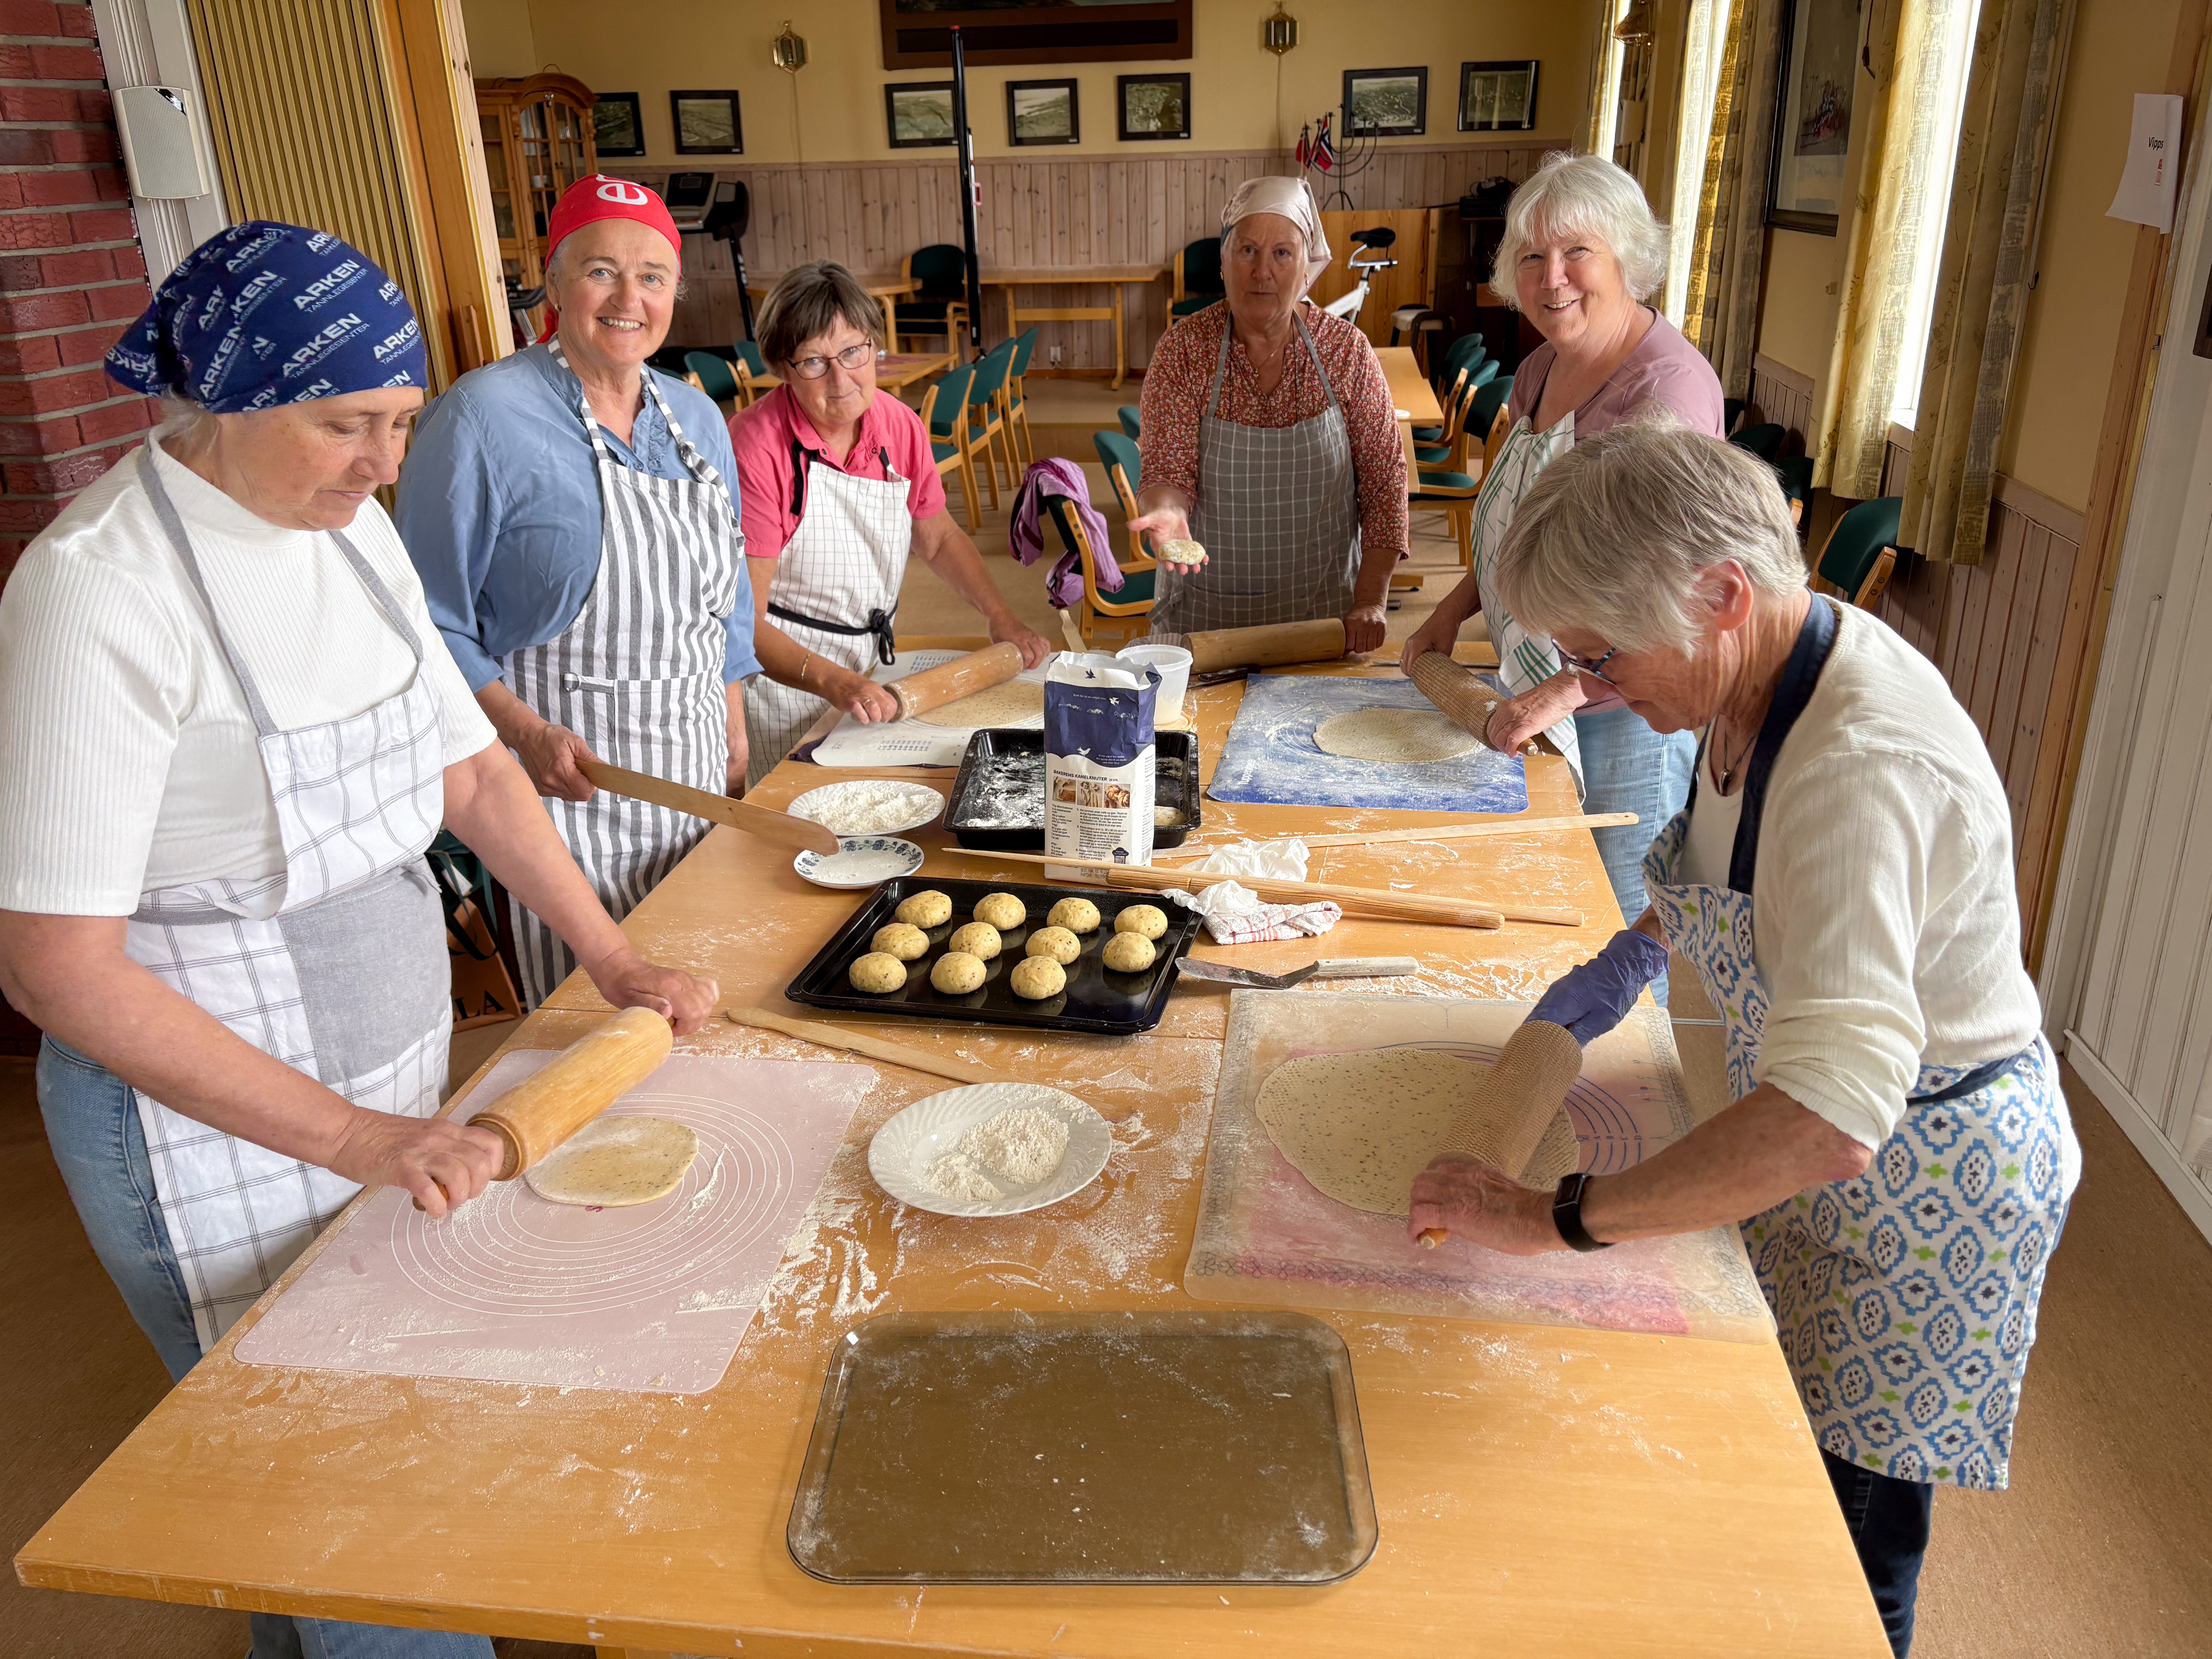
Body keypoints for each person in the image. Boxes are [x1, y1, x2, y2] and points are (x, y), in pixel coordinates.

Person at [0, 223, 718, 1659]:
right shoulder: (96, 592)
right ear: (222, 400)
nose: (385, 463)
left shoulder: (353, 540)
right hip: (209, 1126)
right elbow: (55, 966)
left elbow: (475, 773)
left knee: (357, 1474)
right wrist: (351, 1137)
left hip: (384, 1079)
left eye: (399, 424)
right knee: (349, 1499)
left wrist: (611, 958)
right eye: (347, 425)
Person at [1407, 420, 2078, 1658]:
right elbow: (1722, 883)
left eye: (1604, 657)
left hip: (1915, 1198)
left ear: (1720, 594)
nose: (1595, 690)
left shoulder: (1856, 770)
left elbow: (1825, 1121)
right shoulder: (1750, 680)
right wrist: (1606, 980)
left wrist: (1551, 1214)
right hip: (1813, 1148)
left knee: (1836, 1546)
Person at [397, 176, 757, 1006]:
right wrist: (522, 732)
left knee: (705, 1006)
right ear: (553, 286)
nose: (630, 297)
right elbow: (424, 622)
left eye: (653, 276)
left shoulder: (695, 420)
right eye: (601, 271)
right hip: (565, 798)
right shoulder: (480, 419)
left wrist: (733, 716)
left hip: (694, 776)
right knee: (598, 1039)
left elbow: (726, 593)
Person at [1402, 151, 1723, 939]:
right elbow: (1516, 523)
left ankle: (1614, 1062)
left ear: (1628, 258)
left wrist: (1567, 692)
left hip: (1625, 705)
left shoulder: (1666, 393)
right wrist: (1450, 612)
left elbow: (1675, 596)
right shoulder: (1543, 365)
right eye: (1533, 257)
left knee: (1613, 913)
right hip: (1537, 684)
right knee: (1548, 894)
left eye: (1577, 252)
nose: (1553, 280)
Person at [727, 261, 1051, 783]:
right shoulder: (755, 449)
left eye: (854, 352)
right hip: (786, 678)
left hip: (870, 663)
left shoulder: (897, 424)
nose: (842, 379)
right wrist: (835, 683)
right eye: (814, 361)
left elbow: (939, 538)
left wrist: (1001, 617)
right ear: (783, 368)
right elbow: (744, 622)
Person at [1130, 175, 1404, 647]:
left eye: (1282, 254)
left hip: (1320, 619)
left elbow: (1384, 484)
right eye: (1248, 251)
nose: (1263, 272)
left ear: (1307, 268)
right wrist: (1166, 512)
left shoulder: (1347, 354)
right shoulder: (1184, 351)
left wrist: (1371, 600)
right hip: (1208, 619)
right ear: (1223, 263)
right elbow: (1167, 472)